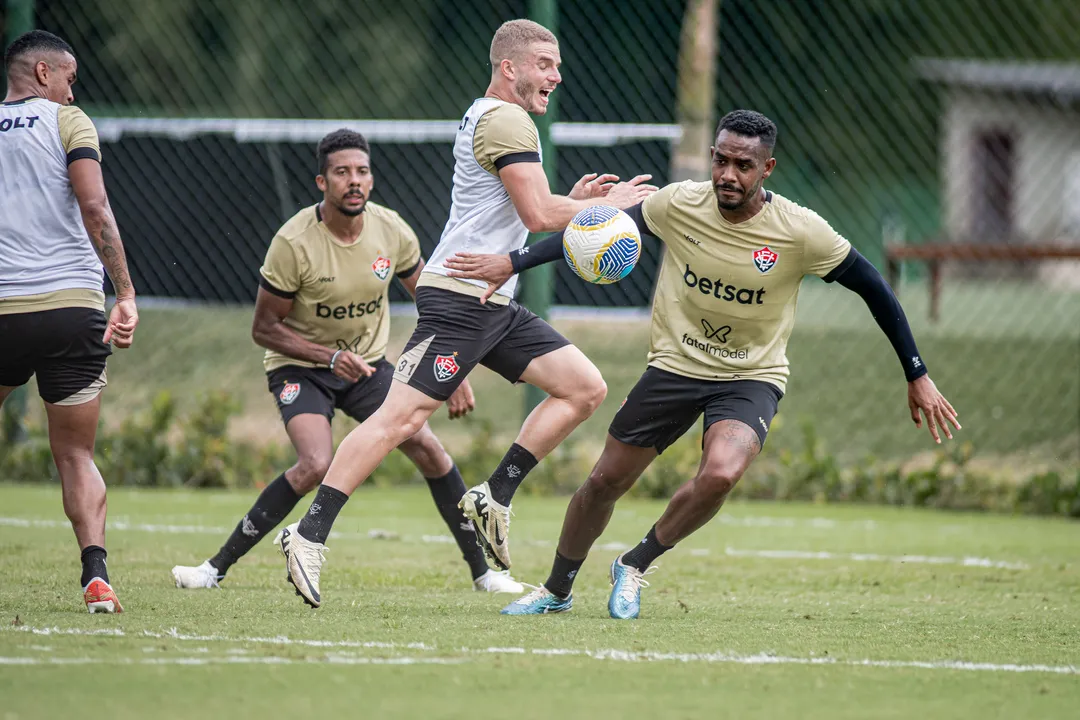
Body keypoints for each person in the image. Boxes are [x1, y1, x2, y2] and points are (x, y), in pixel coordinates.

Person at [444, 109, 961, 619]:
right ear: (712, 156)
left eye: (743, 165)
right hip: (674, 367)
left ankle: (634, 563)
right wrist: (512, 261)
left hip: (750, 377)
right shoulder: (678, 204)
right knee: (604, 483)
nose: (729, 175)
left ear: (767, 170)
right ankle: (557, 590)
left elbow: (875, 289)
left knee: (721, 472)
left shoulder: (801, 232)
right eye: (722, 160)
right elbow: (591, 231)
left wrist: (916, 373)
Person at [279, 19, 656, 609]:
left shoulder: (492, 116)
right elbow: (535, 213)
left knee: (583, 387)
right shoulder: (508, 119)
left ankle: (494, 495)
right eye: (544, 64)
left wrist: (580, 204)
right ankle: (308, 534)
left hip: (491, 299)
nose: (555, 76)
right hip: (459, 298)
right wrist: (610, 206)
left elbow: (521, 208)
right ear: (509, 67)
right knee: (397, 421)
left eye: (556, 66)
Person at [170, 129, 522, 595]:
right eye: (341, 173)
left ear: (371, 180)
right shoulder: (293, 242)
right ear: (322, 182)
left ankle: (483, 574)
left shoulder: (390, 230)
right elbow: (264, 329)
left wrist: (451, 367)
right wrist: (328, 356)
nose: (353, 181)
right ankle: (213, 569)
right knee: (315, 463)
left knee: (431, 451)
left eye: (361, 172)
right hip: (300, 368)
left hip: (367, 368)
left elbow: (434, 303)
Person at [0, 30, 139, 613]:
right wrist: (126, 293)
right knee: (75, 455)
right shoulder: (68, 124)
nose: (71, 91)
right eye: (68, 79)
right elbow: (95, 207)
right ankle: (95, 574)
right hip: (70, 310)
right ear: (41, 74)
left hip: (4, 309)